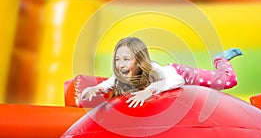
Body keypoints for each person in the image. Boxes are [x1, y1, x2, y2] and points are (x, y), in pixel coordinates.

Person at [81, 37, 242, 108]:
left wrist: (148, 92)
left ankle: (220, 59)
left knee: (228, 80)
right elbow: (109, 83)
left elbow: (176, 80)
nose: (121, 65)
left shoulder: (154, 69)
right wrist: (96, 89)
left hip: (184, 74)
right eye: (117, 60)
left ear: (139, 60)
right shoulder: (121, 75)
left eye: (126, 59)